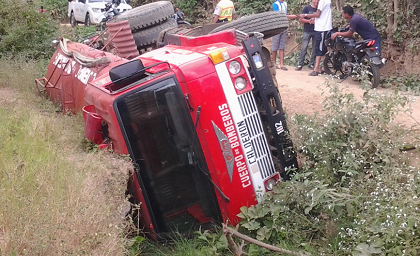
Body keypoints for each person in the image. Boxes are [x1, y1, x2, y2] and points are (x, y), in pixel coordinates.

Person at [299, 0, 332, 76]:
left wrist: (305, 15)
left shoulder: (322, 1)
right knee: (324, 48)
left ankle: (316, 69)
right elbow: (322, 15)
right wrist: (313, 18)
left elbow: (317, 14)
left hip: (321, 29)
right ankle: (325, 68)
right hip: (325, 27)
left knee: (319, 49)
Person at [271, 0, 298, 71]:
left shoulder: (285, 3)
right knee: (275, 45)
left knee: (282, 46)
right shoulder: (275, 4)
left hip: (284, 26)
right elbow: (278, 15)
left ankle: (281, 64)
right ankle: (274, 63)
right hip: (276, 26)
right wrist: (290, 16)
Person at [295, 0, 318, 71]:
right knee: (304, 47)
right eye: (315, 0)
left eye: (317, 1)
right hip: (307, 31)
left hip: (316, 31)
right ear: (312, 0)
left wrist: (315, 21)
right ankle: (300, 64)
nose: (316, 2)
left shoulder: (319, 9)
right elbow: (301, 19)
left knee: (315, 48)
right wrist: (309, 21)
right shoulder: (307, 8)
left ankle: (311, 64)